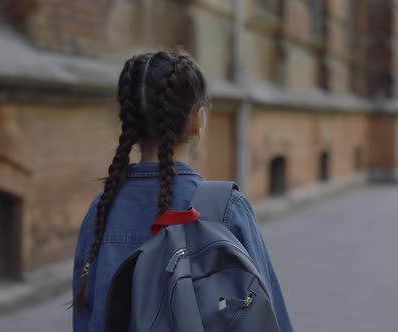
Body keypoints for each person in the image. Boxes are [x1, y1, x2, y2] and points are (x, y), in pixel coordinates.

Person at [72, 50, 293, 331]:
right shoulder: (226, 208)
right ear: (197, 121)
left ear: (130, 123)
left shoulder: (101, 211)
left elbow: (85, 317)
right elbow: (268, 314)